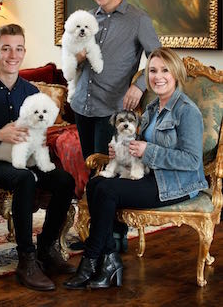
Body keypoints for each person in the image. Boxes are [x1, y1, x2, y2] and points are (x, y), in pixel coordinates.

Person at [64, 47, 208, 290]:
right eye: (152, 70)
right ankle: (108, 260)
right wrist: (122, 152)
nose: (158, 76)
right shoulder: (152, 109)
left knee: (107, 190)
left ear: (176, 74)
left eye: (165, 70)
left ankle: (92, 261)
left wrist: (147, 151)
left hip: (176, 184)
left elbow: (191, 161)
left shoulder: (187, 111)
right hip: (151, 175)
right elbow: (136, 145)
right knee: (97, 183)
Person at [0, 24, 76, 292]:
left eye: (19, 48)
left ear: (24, 51)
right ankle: (26, 260)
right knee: (24, 178)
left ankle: (47, 248)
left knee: (64, 180)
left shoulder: (32, 92)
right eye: (6, 48)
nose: (13, 55)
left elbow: (40, 135)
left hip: (25, 159)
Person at [70, 0, 161, 249]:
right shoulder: (88, 20)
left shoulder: (138, 19)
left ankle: (114, 237)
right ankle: (99, 235)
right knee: (94, 170)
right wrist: (76, 58)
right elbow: (74, 61)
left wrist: (139, 84)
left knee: (110, 175)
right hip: (82, 106)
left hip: (110, 111)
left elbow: (161, 60)